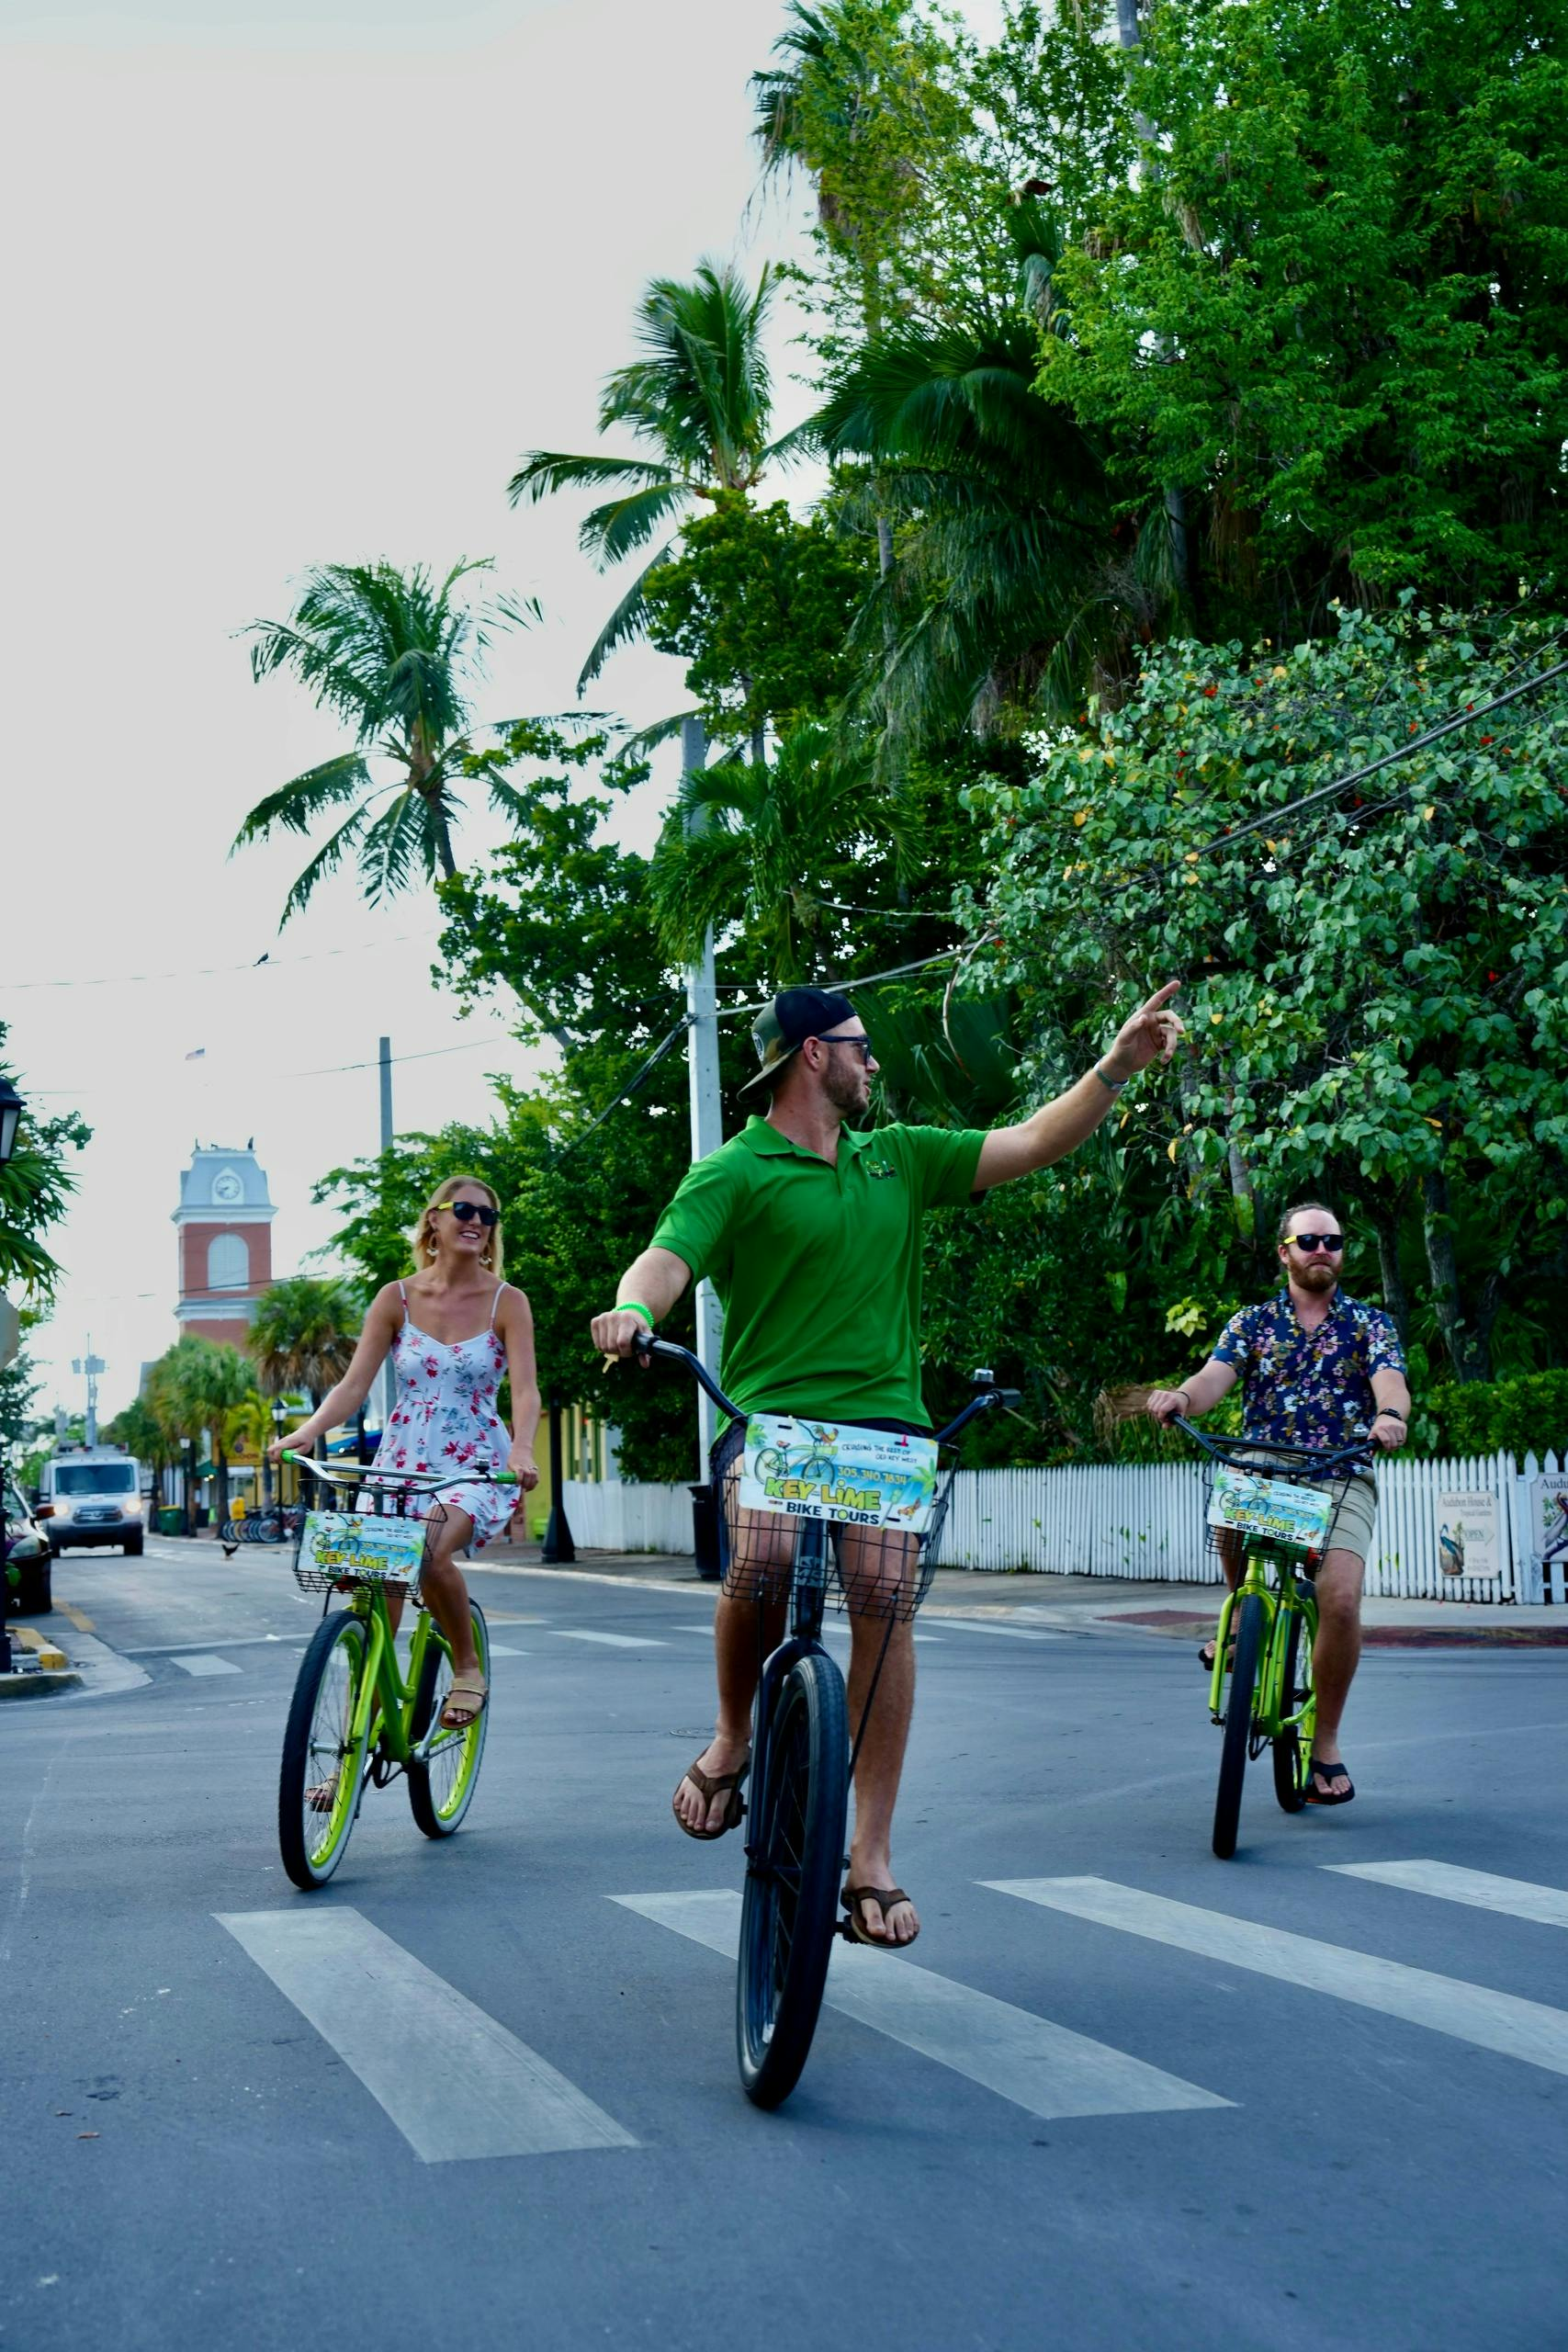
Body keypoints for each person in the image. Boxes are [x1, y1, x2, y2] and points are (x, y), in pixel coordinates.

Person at [592, 980, 1182, 1948]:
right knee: (765, 1555)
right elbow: (666, 1257)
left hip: (886, 1434)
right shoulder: (736, 1169)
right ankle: (736, 1734)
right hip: (774, 1420)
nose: (875, 1061)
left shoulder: (897, 1158)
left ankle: (868, 1851)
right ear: (813, 1055)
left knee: (883, 1593)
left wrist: (1115, 1067)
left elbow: (1031, 1141)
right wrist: (635, 1311)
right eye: (860, 1045)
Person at [1144, 1200, 1411, 1806]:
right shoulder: (1251, 1323)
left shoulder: (1369, 1325)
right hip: (1265, 1463)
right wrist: (1182, 1398)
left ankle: (1325, 1745)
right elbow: (1214, 1377)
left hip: (1339, 1468)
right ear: (1284, 1252)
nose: (1322, 1249)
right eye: (1309, 1239)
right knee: (1232, 1488)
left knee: (1339, 1599)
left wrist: (1389, 1416)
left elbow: (1390, 1382)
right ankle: (1240, 1617)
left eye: (1333, 1241)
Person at [272, 1175, 541, 1736]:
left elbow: (524, 1390)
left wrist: (521, 1449)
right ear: (433, 1222)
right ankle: (352, 1747)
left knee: (431, 1548)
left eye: (487, 1216)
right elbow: (352, 1386)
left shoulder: (507, 1301)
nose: (475, 1221)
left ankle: (466, 1667)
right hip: (400, 1462)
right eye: (463, 1209)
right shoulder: (395, 1297)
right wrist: (309, 1431)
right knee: (375, 1598)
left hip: (473, 1463)